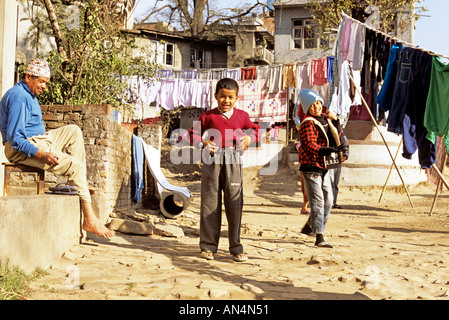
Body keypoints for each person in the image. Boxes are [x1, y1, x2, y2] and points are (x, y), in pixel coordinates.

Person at [0, 58, 113, 238]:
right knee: (75, 166)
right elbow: (15, 139)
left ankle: (75, 183)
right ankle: (90, 218)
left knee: (73, 131)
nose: (44, 86)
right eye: (42, 81)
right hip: (21, 148)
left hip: (40, 139)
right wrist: (41, 154)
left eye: (46, 82)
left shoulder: (29, 94)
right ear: (28, 76)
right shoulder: (19, 97)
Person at [188, 78, 260, 262]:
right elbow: (192, 133)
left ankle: (236, 246)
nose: (226, 101)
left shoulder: (242, 116)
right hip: (212, 160)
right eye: (222, 97)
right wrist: (203, 143)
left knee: (234, 203)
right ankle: (208, 246)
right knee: (210, 202)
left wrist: (249, 139)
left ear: (236, 98)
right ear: (215, 97)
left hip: (234, 160)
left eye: (230, 97)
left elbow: (255, 130)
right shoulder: (207, 116)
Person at [297, 89, 346, 248]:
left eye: (318, 102)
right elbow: (309, 145)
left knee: (329, 200)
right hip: (311, 167)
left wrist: (336, 120)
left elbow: (336, 135)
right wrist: (327, 150)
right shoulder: (308, 123)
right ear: (306, 108)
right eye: (312, 105)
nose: (317, 106)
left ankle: (310, 227)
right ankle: (319, 236)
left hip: (325, 165)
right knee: (317, 201)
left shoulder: (325, 119)